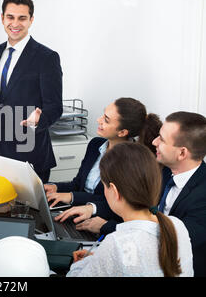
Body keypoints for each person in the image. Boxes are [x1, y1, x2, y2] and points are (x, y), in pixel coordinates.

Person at [0, 0, 63, 183]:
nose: (15, 24)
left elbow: (55, 107)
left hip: (29, 154)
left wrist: (39, 120)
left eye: (22, 18)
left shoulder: (47, 58)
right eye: (10, 17)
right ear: (2, 18)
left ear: (31, 20)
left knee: (29, 212)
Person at [67, 142, 193, 277]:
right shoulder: (177, 225)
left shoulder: (116, 244)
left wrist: (80, 265)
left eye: (104, 186)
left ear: (114, 191)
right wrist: (99, 260)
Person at [47, 98, 162, 234]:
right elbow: (79, 184)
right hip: (80, 211)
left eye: (106, 120)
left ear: (122, 132)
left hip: (103, 221)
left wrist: (73, 197)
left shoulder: (133, 161)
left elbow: (121, 204)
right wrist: (56, 187)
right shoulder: (95, 144)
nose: (99, 120)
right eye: (103, 115)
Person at [152, 111, 206, 277]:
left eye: (161, 139)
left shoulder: (203, 195)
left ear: (182, 153)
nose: (154, 142)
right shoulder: (164, 172)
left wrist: (109, 227)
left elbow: (171, 239)